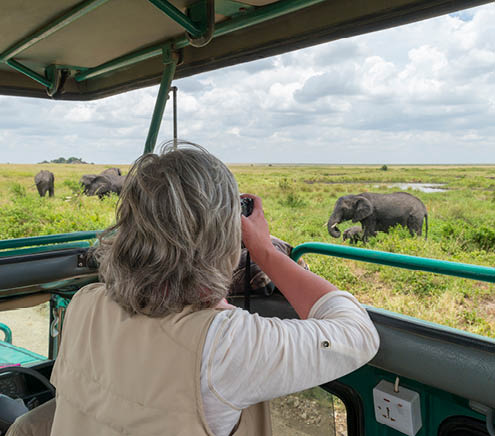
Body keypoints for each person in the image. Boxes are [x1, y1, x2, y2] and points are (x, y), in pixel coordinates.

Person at [11, 141, 379, 436]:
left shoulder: (85, 304)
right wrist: (265, 250)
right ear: (224, 235)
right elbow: (357, 332)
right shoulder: (223, 345)